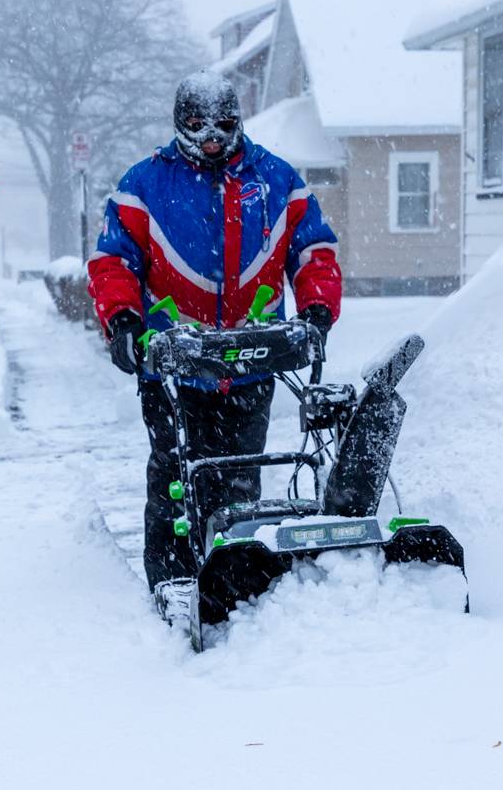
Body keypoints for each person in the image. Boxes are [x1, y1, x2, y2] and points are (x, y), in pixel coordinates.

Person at [88, 70, 342, 591]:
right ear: (179, 122)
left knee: (240, 476)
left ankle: (234, 581)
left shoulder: (275, 180)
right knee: (175, 476)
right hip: (170, 365)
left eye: (223, 125)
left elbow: (313, 250)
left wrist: (316, 309)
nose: (211, 138)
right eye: (198, 125)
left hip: (251, 361)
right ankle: (175, 581)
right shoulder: (144, 185)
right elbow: (113, 260)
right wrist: (122, 320)